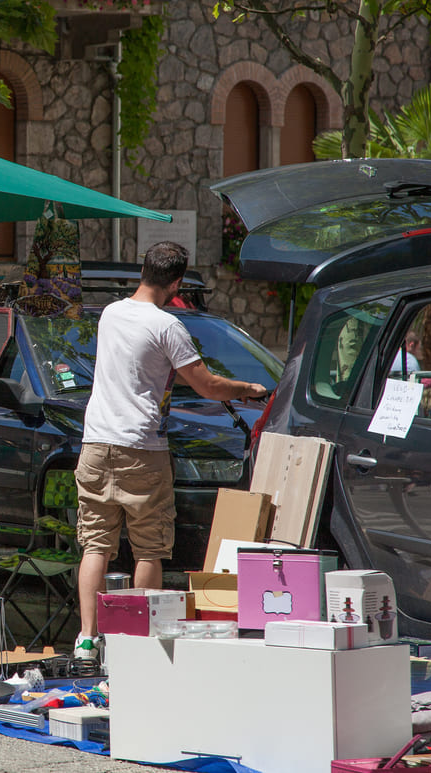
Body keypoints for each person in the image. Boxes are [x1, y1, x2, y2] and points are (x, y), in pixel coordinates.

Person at [73, 242, 268, 660]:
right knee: (149, 547)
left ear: (143, 271)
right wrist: (249, 388)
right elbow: (207, 386)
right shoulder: (167, 327)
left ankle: (87, 640)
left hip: (94, 444)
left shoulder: (110, 313)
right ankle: (137, 641)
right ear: (177, 283)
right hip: (140, 447)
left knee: (96, 546)